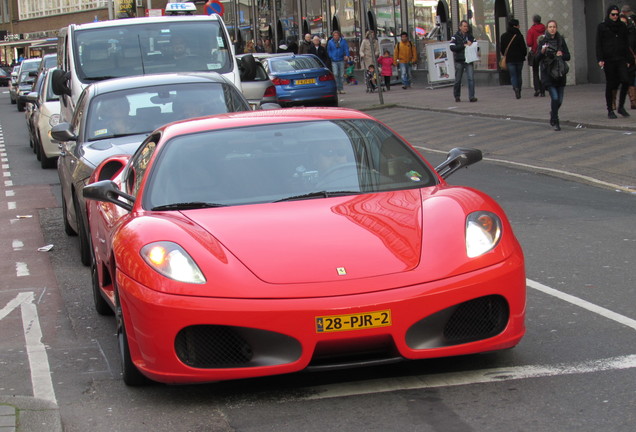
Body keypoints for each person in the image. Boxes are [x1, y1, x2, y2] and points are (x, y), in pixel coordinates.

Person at [596, 4, 631, 118]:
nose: (615, 16)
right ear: (609, 14)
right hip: (608, 59)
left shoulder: (622, 26)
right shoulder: (602, 26)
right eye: (613, 14)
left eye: (617, 14)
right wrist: (600, 59)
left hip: (620, 58)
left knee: (625, 80)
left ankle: (621, 106)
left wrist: (628, 58)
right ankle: (610, 109)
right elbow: (598, 44)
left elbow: (626, 43)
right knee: (611, 84)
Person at [536, 20, 571, 131]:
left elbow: (568, 56)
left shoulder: (561, 40)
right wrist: (542, 52)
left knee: (559, 100)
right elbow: (537, 59)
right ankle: (556, 121)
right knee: (555, 98)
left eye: (554, 27)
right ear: (547, 28)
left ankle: (553, 113)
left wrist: (562, 54)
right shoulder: (543, 41)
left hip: (560, 74)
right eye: (550, 27)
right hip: (549, 74)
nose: (552, 29)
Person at [450, 20, 477, 102]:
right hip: (459, 60)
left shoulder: (470, 37)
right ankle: (457, 96)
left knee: (471, 78)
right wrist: (463, 45)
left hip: (469, 60)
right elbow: (452, 47)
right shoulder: (455, 37)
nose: (466, 28)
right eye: (464, 26)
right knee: (458, 79)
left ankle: (471, 96)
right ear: (460, 27)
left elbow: (477, 47)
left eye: (467, 26)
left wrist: (472, 45)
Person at [500, 19, 527, 99]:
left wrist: (505, 55)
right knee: (519, 75)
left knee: (513, 75)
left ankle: (515, 88)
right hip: (519, 59)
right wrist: (524, 55)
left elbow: (502, 48)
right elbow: (523, 48)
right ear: (515, 26)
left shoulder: (504, 36)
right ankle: (519, 89)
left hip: (510, 59)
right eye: (518, 25)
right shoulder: (519, 35)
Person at [526, 14, 546, 97]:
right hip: (544, 52)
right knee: (543, 71)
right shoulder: (545, 29)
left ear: (534, 21)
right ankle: (543, 90)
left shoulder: (531, 30)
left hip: (535, 52)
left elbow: (529, 43)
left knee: (535, 71)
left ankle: (537, 88)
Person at [621, 5, 636, 109]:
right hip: (624, 58)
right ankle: (632, 101)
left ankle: (633, 101)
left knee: (630, 78)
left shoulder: (632, 30)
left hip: (631, 57)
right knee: (627, 79)